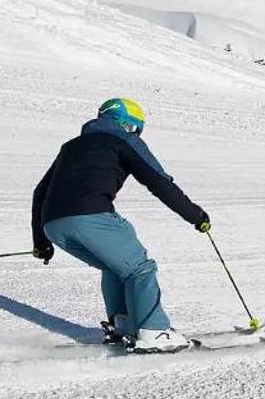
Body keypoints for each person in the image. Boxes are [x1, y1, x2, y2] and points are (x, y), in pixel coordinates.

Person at [31, 97, 210, 354]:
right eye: (136, 128)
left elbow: (40, 192)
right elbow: (158, 181)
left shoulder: (70, 147)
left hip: (53, 224)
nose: (136, 133)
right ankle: (154, 332)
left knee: (115, 266)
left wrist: (41, 242)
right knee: (140, 269)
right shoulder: (125, 140)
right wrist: (196, 216)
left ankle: (123, 326)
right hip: (91, 216)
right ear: (128, 124)